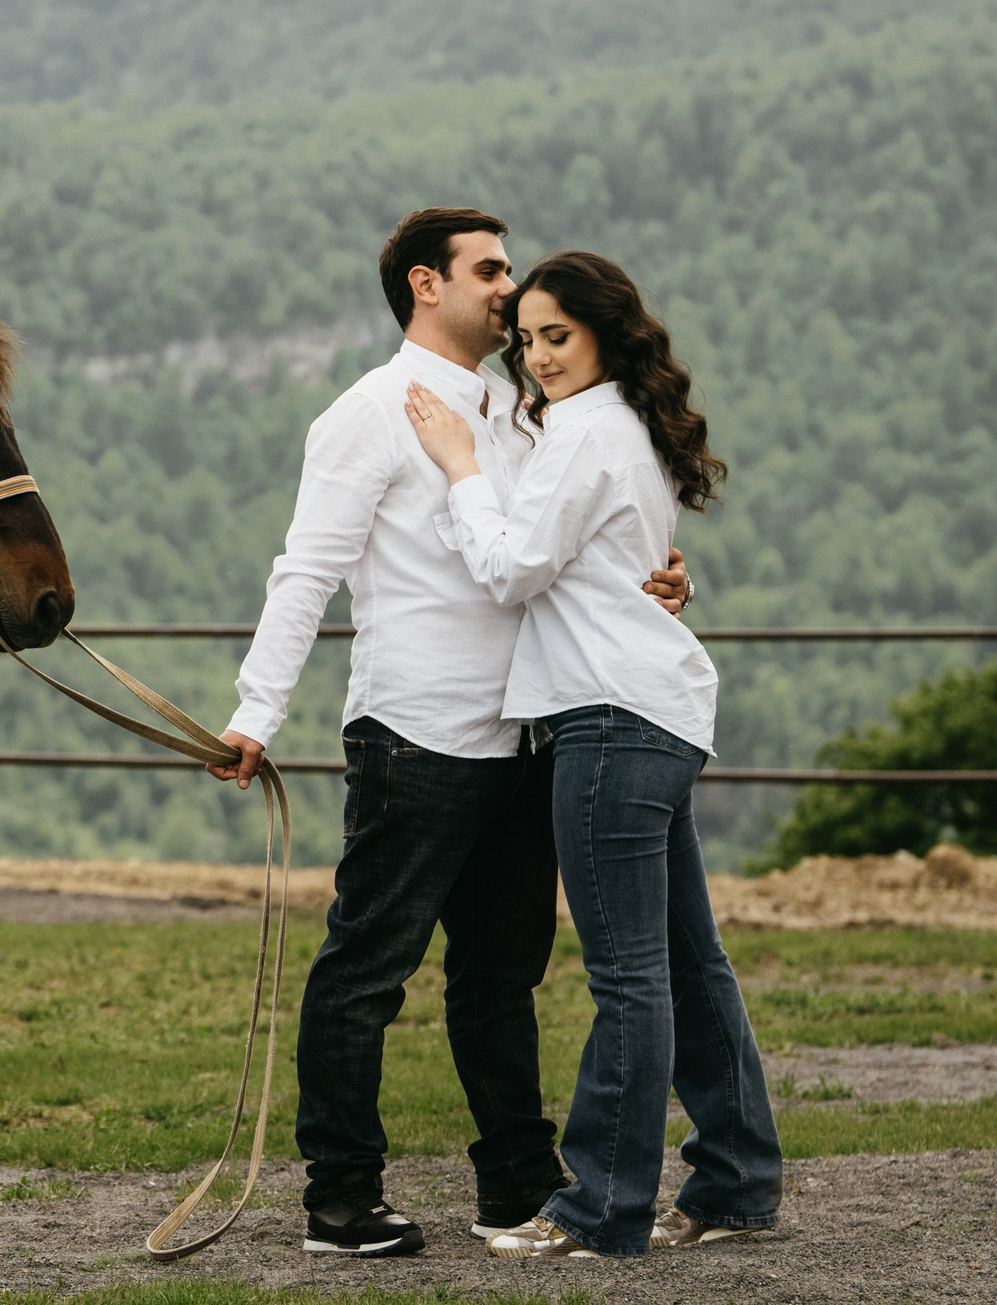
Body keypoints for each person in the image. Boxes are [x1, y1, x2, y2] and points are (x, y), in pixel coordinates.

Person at [214, 209, 690, 1257]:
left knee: (501, 977)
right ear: (425, 284)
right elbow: (306, 569)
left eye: (510, 271)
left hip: (525, 734)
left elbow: (547, 548)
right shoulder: (368, 411)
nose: (508, 290)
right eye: (490, 270)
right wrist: (256, 711)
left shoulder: (526, 417)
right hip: (414, 735)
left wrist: (661, 576)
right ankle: (339, 1198)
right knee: (366, 971)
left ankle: (516, 1184)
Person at [403, 249, 783, 1260]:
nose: (537, 359)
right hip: (655, 712)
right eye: (524, 340)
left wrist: (460, 469)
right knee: (686, 962)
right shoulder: (623, 427)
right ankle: (736, 1179)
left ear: (605, 332)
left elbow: (511, 567)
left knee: (627, 974)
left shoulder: (585, 430)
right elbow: (621, 563)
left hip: (607, 720)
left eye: (555, 336)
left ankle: (601, 1206)